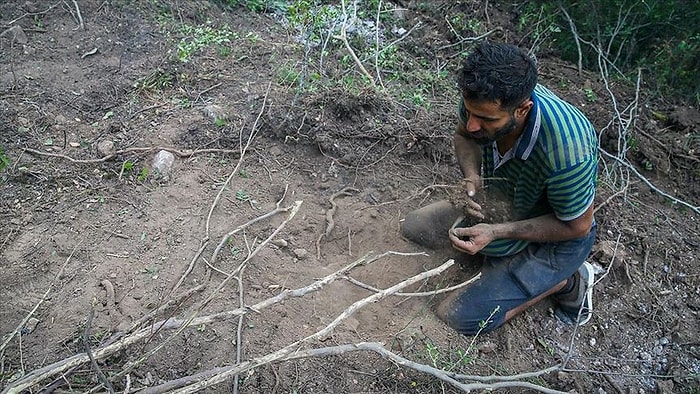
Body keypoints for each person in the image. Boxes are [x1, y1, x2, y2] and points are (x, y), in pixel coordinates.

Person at [401, 41, 598, 335]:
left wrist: (496, 232)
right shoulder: (480, 101)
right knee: (413, 227)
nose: (472, 125)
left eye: (486, 120)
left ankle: (568, 280)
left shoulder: (568, 151)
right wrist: (472, 177)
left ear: (523, 110)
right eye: (470, 113)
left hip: (557, 237)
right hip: (504, 202)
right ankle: (497, 258)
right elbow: (463, 136)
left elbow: (577, 226)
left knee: (459, 318)